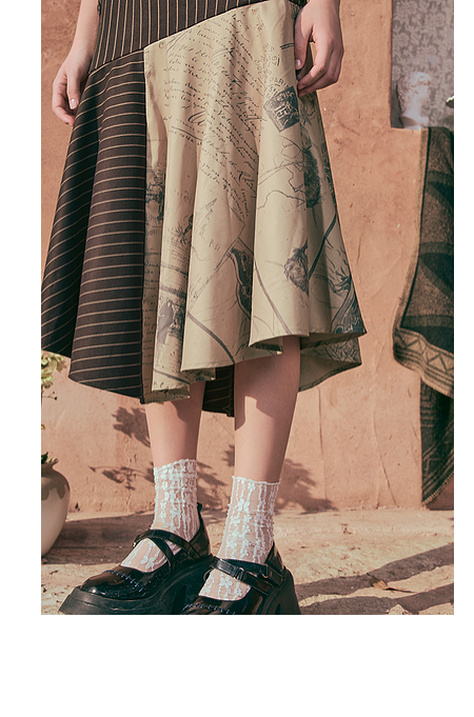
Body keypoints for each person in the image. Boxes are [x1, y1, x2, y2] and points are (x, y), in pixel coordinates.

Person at [42, 0, 366, 614]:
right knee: (155, 273)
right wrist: (86, 35)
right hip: (127, 27)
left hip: (239, 14)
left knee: (261, 258)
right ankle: (177, 529)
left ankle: (251, 547)